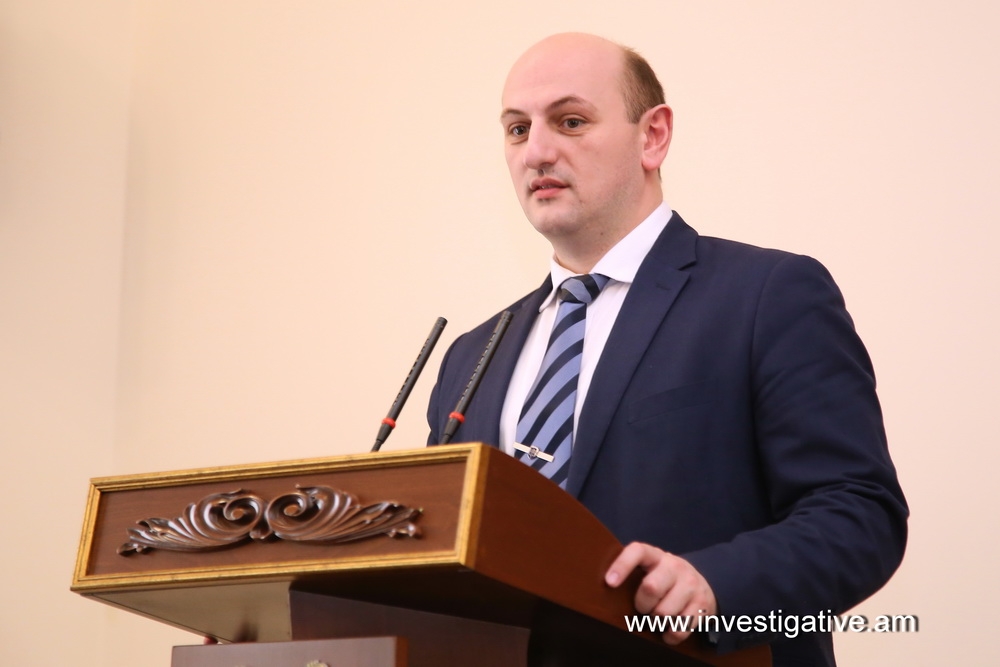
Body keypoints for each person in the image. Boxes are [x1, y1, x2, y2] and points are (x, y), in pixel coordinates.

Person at [426, 33, 907, 666]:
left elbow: (859, 516)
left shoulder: (767, 296)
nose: (536, 151)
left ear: (652, 136)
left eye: (570, 122)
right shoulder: (470, 356)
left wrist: (716, 585)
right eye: (518, 129)